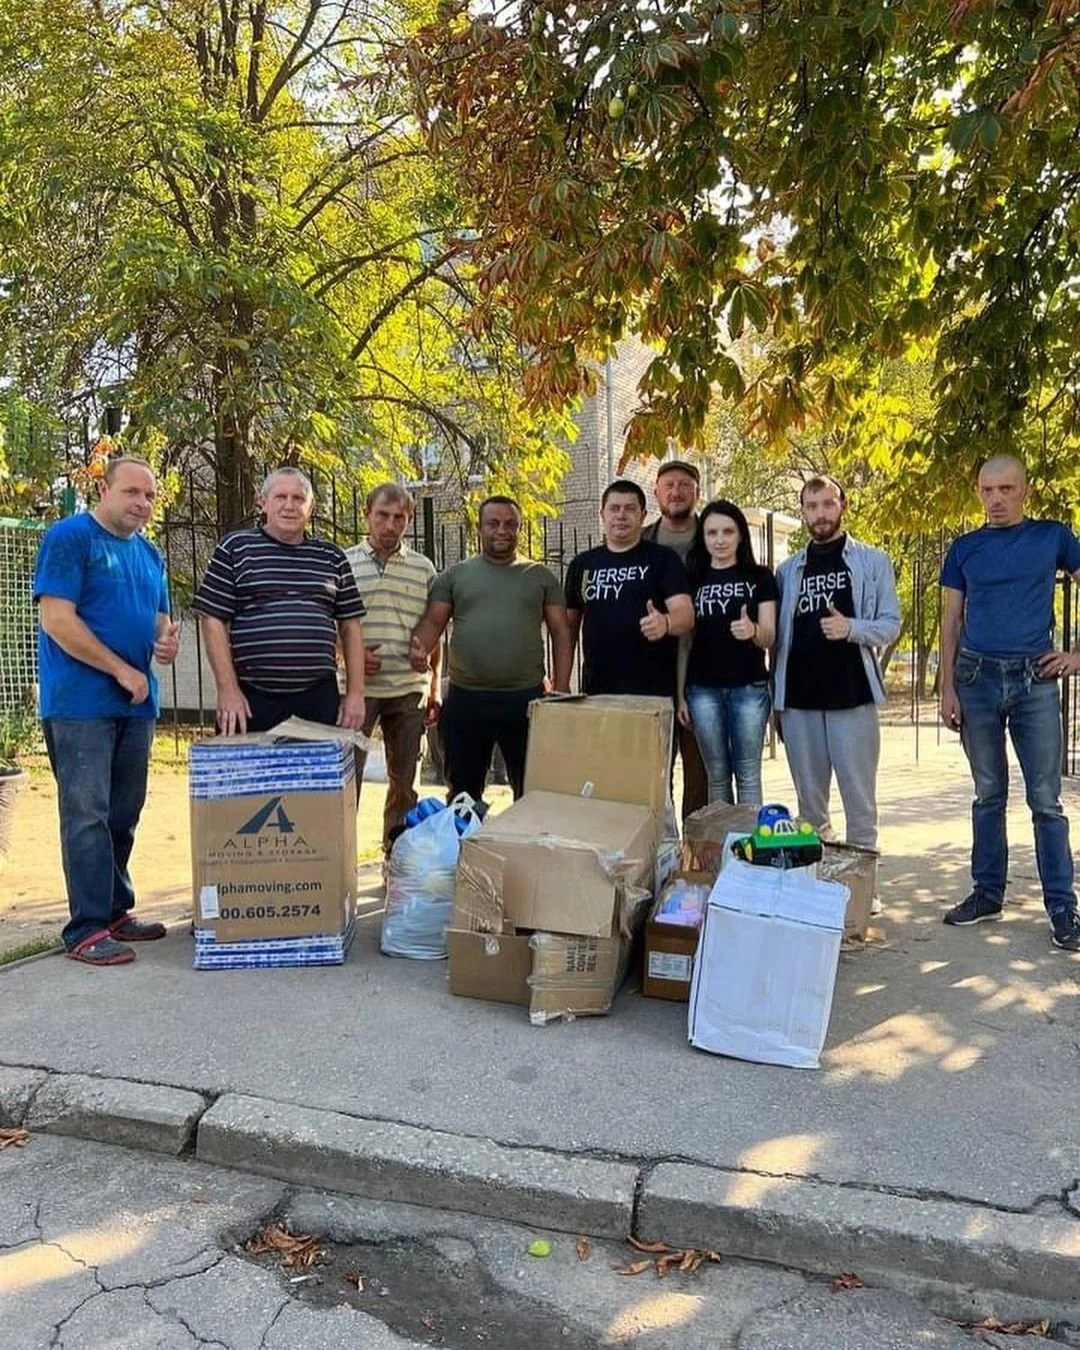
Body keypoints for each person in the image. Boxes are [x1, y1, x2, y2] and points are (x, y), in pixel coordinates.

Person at [34, 457, 181, 966]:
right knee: (87, 815)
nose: (142, 503)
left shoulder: (149, 553)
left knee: (124, 812)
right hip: (80, 705)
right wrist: (121, 669)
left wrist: (165, 644)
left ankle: (117, 911)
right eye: (132, 493)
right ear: (104, 489)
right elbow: (57, 619)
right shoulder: (70, 538)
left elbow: (160, 619)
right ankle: (86, 927)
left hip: (136, 705)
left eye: (149, 496)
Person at [939, 455, 1080, 950]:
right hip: (976, 678)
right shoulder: (965, 549)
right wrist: (947, 687)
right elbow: (951, 621)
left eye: (1005, 488)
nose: (995, 498)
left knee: (1046, 799)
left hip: (1034, 679)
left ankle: (1063, 909)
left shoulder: (1053, 537)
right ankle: (987, 893)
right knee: (987, 793)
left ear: (1025, 490)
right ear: (978, 492)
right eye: (987, 489)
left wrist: (1077, 656)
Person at [409, 496, 572, 803]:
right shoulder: (455, 576)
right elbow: (433, 622)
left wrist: (561, 687)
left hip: (526, 699)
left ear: (519, 529)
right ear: (479, 528)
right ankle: (465, 848)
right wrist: (420, 649)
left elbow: (561, 632)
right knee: (462, 794)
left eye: (510, 524)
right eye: (493, 524)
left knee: (533, 793)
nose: (502, 531)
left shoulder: (540, 576)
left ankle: (526, 851)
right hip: (466, 699)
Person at [772, 476, 900, 850]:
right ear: (803, 512)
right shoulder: (788, 570)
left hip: (852, 696)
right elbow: (778, 637)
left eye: (828, 504)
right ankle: (818, 893)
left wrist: (851, 628)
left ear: (843, 505)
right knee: (810, 812)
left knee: (860, 805)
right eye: (812, 507)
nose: (820, 514)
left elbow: (890, 625)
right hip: (799, 701)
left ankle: (863, 889)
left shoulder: (872, 561)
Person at [194, 466, 366, 735]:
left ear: (312, 506)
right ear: (262, 502)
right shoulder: (235, 549)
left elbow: (351, 626)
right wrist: (227, 689)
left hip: (318, 697)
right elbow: (212, 619)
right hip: (251, 698)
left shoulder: (332, 557)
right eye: (280, 497)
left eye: (298, 498)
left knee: (317, 776)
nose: (289, 506)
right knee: (248, 776)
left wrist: (356, 694)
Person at [345, 484, 440, 854]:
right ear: (368, 514)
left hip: (408, 689)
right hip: (354, 690)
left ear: (409, 520)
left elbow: (437, 631)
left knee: (404, 781)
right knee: (344, 779)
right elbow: (328, 622)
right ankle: (339, 863)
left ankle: (396, 856)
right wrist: (346, 654)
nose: (389, 525)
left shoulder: (423, 569)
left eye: (398, 517)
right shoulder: (344, 562)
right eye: (382, 515)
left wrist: (433, 686)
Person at [677, 500, 778, 805]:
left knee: (748, 774)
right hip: (702, 690)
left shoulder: (760, 577)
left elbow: (770, 636)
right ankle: (724, 848)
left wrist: (753, 631)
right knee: (716, 775)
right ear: (703, 538)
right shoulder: (692, 578)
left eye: (727, 531)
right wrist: (680, 694)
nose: (719, 540)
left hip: (749, 688)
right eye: (711, 533)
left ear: (740, 536)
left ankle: (749, 850)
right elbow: (684, 641)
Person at [565, 479, 694, 700]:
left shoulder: (663, 560)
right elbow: (567, 632)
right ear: (602, 514)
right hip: (597, 692)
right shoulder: (582, 564)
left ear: (643, 516)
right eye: (614, 508)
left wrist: (666, 623)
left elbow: (687, 614)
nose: (621, 515)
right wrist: (562, 682)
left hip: (653, 694)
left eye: (630, 509)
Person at [643, 460, 708, 819]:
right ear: (657, 492)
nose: (676, 491)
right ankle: (659, 856)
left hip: (703, 667)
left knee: (701, 774)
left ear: (697, 492)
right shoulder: (643, 541)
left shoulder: (713, 536)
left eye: (685, 484)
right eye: (669, 485)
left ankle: (695, 863)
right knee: (653, 774)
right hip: (654, 669)